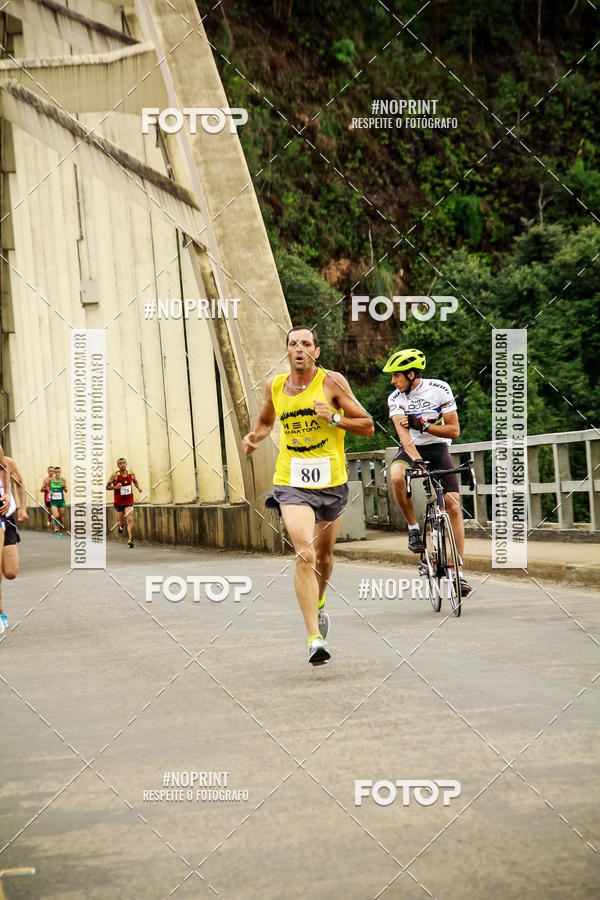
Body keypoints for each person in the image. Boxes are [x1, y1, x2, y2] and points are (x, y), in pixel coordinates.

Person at [242, 325, 374, 665]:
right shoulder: (275, 387)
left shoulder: (332, 382)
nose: (299, 348)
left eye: (306, 343)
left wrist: (335, 417)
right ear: (286, 351)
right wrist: (254, 437)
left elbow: (368, 425)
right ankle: (314, 638)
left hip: (331, 481)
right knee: (305, 554)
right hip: (292, 481)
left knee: (325, 557)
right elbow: (266, 421)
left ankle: (319, 601)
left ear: (316, 351)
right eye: (293, 343)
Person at [383, 348, 471, 595]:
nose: (392, 381)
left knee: (453, 505)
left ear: (410, 374)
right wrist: (417, 461)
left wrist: (424, 425)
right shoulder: (395, 398)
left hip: (438, 447)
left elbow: (454, 431)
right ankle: (413, 529)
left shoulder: (439, 389)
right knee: (397, 475)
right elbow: (403, 435)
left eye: (396, 376)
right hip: (411, 450)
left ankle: (459, 573)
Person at [0, 446, 28, 633]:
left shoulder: (8, 464)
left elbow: (21, 483)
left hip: (7, 521)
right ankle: (1, 613)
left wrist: (22, 508)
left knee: (10, 572)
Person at [106, 458, 142, 548]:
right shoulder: (115, 475)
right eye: (120, 463)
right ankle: (120, 526)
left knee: (129, 518)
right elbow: (107, 487)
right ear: (118, 465)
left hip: (129, 500)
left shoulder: (131, 474)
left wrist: (138, 488)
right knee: (122, 522)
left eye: (123, 463)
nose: (122, 465)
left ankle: (131, 540)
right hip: (119, 502)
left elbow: (135, 481)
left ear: (126, 464)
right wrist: (115, 487)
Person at [49, 466, 67, 536]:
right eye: (55, 472)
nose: (57, 474)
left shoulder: (63, 480)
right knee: (56, 515)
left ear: (60, 472)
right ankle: (57, 529)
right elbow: (47, 487)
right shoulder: (51, 480)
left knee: (60, 516)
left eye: (58, 472)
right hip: (53, 501)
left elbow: (66, 490)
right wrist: (49, 491)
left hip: (61, 501)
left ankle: (59, 528)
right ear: (54, 473)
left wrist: (64, 486)